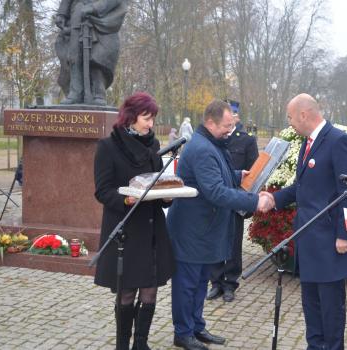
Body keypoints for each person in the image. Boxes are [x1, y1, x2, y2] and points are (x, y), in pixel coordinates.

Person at [260, 93, 347, 350]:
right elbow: (302, 187)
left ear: (304, 114)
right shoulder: (308, 142)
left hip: (329, 241)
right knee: (312, 307)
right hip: (308, 239)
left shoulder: (338, 141)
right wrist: (274, 199)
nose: (290, 122)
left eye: (291, 117)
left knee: (330, 310)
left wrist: (345, 235)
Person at [166, 100, 270, 350]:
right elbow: (214, 191)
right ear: (210, 122)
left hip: (204, 230)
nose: (230, 130)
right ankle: (182, 333)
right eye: (226, 125)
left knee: (201, 282)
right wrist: (255, 200)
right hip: (191, 230)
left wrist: (237, 176)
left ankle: (196, 327)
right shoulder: (202, 148)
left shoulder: (211, 143)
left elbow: (214, 176)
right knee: (187, 284)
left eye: (232, 125)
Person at [93, 92, 175, 349]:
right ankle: (122, 344)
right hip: (127, 229)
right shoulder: (108, 146)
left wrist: (167, 196)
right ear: (131, 116)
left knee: (150, 290)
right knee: (127, 292)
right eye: (146, 118)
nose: (150, 124)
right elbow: (103, 190)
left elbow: (157, 182)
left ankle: (141, 342)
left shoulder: (153, 145)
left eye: (152, 119)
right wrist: (128, 199)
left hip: (152, 229)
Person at [207, 112, 259, 302]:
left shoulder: (246, 140)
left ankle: (230, 283)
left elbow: (253, 173)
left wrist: (247, 200)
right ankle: (216, 282)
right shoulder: (214, 139)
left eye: (232, 114)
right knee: (215, 240)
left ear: (236, 117)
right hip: (216, 199)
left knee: (234, 243)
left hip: (236, 200)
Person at [55, 0, 127, 105]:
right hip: (77, 13)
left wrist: (95, 8)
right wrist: (62, 13)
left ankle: (98, 92)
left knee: (98, 56)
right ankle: (75, 93)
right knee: (74, 55)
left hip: (103, 17)